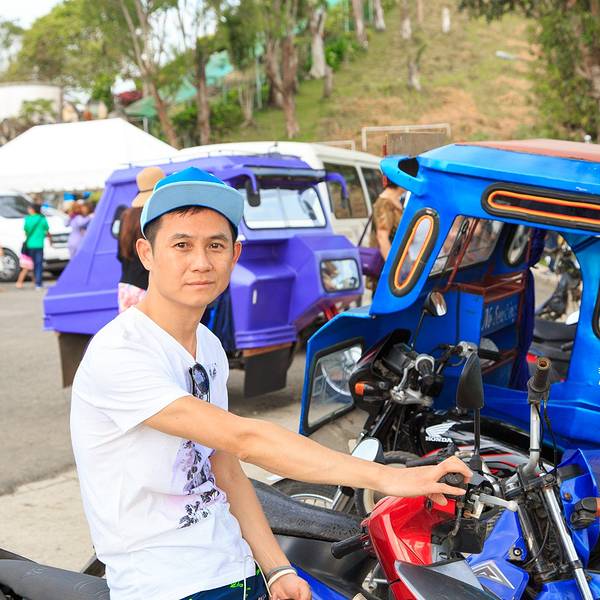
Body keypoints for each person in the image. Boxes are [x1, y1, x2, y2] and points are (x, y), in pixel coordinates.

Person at [71, 167, 471, 600]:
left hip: (234, 569)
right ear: (146, 253)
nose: (201, 262)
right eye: (181, 245)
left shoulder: (207, 345)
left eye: (215, 245)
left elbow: (225, 467)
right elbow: (246, 439)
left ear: (235, 254)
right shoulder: (121, 352)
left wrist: (277, 568)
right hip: (164, 586)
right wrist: (389, 478)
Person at [117, 166, 165, 312]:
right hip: (151, 287)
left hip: (127, 286)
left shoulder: (126, 216)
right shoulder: (158, 216)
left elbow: (120, 255)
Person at [22, 203, 49, 290]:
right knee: (39, 264)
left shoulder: (28, 219)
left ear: (33, 209)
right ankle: (38, 283)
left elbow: (26, 231)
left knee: (32, 264)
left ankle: (35, 281)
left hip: (30, 245)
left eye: (29, 208)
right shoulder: (42, 219)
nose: (28, 210)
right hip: (39, 245)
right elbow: (47, 230)